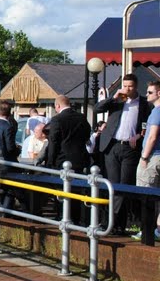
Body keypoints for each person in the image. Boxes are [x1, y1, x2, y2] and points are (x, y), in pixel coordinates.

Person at [94, 73, 152, 234]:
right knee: (112, 186)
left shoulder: (144, 104)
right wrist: (113, 98)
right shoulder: (117, 101)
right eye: (125, 86)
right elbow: (98, 109)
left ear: (136, 86)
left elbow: (148, 125)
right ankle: (111, 223)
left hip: (130, 148)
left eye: (130, 86)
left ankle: (116, 224)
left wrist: (140, 135)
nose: (127, 89)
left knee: (124, 186)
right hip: (112, 146)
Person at [132, 80, 160, 241]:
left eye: (150, 92)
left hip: (153, 156)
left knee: (146, 194)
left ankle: (146, 232)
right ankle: (157, 230)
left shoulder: (156, 112)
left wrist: (144, 157)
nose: (146, 95)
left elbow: (152, 136)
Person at [45, 95, 91, 171]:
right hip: (80, 159)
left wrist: (50, 161)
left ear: (58, 105)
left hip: (62, 160)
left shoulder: (57, 119)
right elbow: (87, 134)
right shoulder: (81, 117)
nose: (56, 110)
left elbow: (53, 141)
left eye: (55, 107)